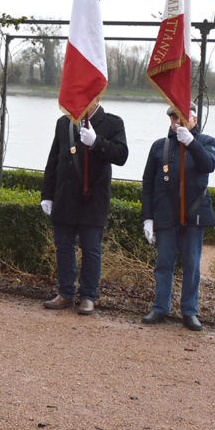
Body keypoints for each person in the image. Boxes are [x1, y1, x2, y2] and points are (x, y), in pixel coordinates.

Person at [40, 100, 128, 314]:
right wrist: (47, 195)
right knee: (64, 247)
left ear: (97, 98)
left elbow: (121, 155)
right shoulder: (64, 123)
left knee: (91, 250)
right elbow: (54, 160)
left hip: (93, 199)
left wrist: (97, 142)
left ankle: (88, 296)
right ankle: (65, 293)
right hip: (65, 197)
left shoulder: (112, 123)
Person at [140, 101, 215, 331]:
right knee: (164, 263)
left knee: (192, 264)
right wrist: (148, 217)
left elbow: (208, 165)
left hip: (195, 214)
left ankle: (190, 311)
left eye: (184, 117)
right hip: (166, 214)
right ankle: (160, 307)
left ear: (195, 119)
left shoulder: (207, 142)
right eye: (174, 118)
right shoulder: (159, 146)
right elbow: (148, 184)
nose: (178, 121)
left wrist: (191, 142)